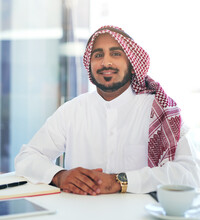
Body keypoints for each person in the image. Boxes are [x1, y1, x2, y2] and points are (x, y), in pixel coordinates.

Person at [15, 25, 200, 195]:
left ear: (133, 64)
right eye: (98, 55)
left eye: (116, 54)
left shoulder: (159, 111)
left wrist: (120, 181)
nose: (106, 62)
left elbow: (190, 173)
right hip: (78, 219)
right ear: (90, 65)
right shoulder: (72, 111)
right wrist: (59, 176)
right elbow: (27, 157)